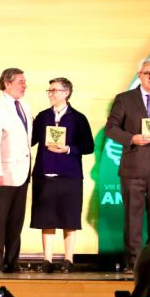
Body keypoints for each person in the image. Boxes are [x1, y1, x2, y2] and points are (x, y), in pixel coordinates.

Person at [104, 58, 150, 269]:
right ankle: (134, 263)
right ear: (140, 76)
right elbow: (111, 128)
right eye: (148, 73)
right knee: (133, 218)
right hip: (133, 167)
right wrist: (131, 138)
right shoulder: (125, 99)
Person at [30, 77, 94, 273]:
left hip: (70, 175)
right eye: (49, 90)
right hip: (44, 173)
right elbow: (30, 140)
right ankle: (47, 260)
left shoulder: (78, 118)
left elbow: (89, 146)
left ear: (66, 93)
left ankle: (68, 259)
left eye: (54, 90)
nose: (51, 94)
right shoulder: (42, 117)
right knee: (46, 218)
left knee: (69, 218)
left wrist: (68, 149)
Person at [0, 68, 32, 274]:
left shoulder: (24, 106)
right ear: (7, 83)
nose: (24, 85)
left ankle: (12, 262)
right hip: (2, 174)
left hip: (22, 173)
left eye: (25, 81)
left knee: (16, 222)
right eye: (20, 82)